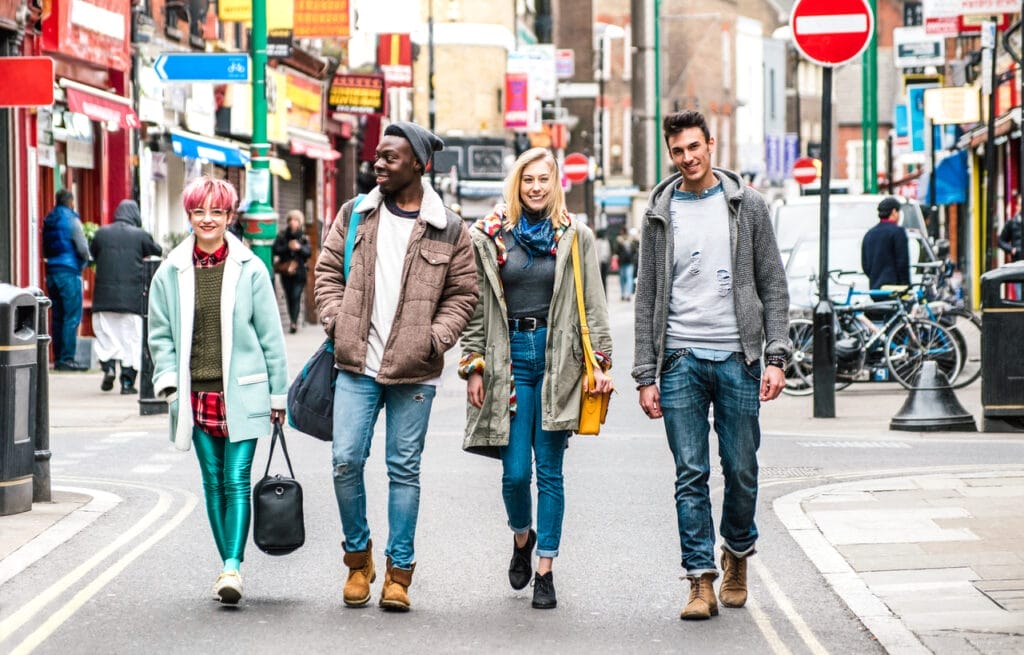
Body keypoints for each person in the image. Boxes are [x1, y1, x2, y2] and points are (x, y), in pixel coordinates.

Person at [314, 121, 478, 612]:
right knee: (345, 461)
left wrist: (436, 338)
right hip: (356, 362)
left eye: (389, 158)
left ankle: (398, 573)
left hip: (416, 369)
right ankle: (357, 558)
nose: (378, 164)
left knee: (403, 470)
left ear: (418, 165)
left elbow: (463, 293)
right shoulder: (355, 214)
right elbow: (326, 273)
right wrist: (335, 322)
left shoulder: (449, 227)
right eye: (377, 157)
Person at [632, 110, 790, 621]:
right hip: (678, 358)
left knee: (741, 469)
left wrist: (776, 354)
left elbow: (773, 284)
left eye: (694, 148)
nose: (687, 158)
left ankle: (737, 552)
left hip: (739, 357)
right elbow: (646, 296)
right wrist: (644, 374)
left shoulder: (748, 206)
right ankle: (699, 578)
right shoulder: (659, 212)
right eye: (677, 151)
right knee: (690, 473)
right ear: (670, 154)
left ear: (711, 144)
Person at [459, 148, 613, 610]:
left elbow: (595, 303)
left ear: (555, 183)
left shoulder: (575, 235)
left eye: (544, 179)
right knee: (514, 474)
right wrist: (473, 363)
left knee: (550, 471)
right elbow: (475, 305)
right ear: (516, 184)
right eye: (528, 180)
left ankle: (545, 568)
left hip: (557, 360)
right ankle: (522, 537)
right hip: (509, 361)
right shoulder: (489, 235)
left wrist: (599, 363)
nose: (536, 188)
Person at [147, 176, 288, 605]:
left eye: (216, 212)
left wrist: (278, 395)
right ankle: (227, 563)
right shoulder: (170, 271)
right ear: (189, 215)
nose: (207, 220)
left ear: (230, 216)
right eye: (198, 212)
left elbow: (271, 337)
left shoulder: (251, 269)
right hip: (195, 395)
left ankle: (232, 567)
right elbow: (160, 335)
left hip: (243, 393)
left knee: (236, 478)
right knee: (212, 482)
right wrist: (169, 384)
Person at [89, 199, 162, 394]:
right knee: (132, 341)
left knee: (107, 337)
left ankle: (109, 367)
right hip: (132, 299)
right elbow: (157, 251)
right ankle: (127, 383)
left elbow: (92, 254)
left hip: (104, 298)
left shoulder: (101, 233)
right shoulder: (140, 236)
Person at [42, 189, 90, 371]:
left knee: (57, 316)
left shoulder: (50, 219)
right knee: (71, 316)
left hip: (52, 271)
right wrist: (84, 261)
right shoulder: (71, 219)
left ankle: (58, 356)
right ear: (70, 202)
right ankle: (67, 358)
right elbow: (82, 247)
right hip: (69, 271)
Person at [272, 210, 312, 333]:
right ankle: (292, 320)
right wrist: (287, 247)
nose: (292, 223)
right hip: (286, 272)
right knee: (289, 297)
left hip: (299, 273)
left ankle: (294, 322)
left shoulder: (303, 237)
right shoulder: (283, 235)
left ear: (299, 222)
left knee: (296, 296)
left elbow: (308, 253)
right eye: (290, 220)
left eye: (295, 220)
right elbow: (275, 249)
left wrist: (299, 248)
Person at [861, 197, 910, 290]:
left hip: (875, 291)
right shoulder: (897, 232)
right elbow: (902, 262)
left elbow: (865, 265)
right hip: (895, 291)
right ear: (894, 211)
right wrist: (906, 285)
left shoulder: (869, 234)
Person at [615, 227, 639, 300]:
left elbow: (616, 251)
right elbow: (635, 251)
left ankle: (625, 294)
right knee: (627, 278)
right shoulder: (629, 240)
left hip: (625, 262)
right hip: (628, 262)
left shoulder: (620, 240)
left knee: (625, 279)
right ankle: (626, 294)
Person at [595, 228, 612, 296]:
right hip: (603, 263)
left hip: (601, 263)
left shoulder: (597, 242)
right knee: (603, 280)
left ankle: (602, 295)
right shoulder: (605, 242)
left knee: (601, 280)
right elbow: (608, 253)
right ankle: (603, 295)